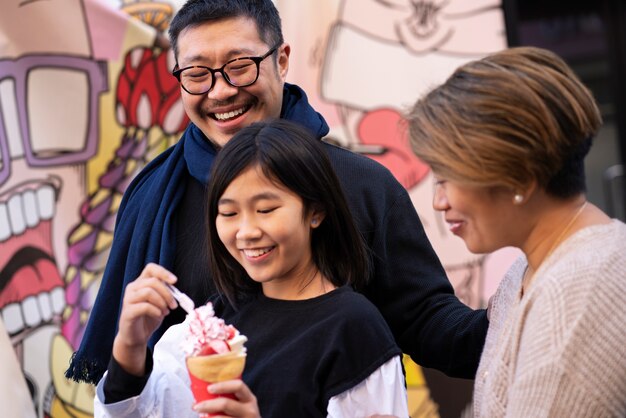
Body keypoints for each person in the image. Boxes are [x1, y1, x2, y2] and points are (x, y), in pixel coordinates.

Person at [66, 0, 488, 385]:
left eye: (240, 66)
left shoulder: (361, 186)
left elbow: (427, 322)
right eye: (197, 74)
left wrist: (531, 307)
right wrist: (129, 347)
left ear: (281, 60)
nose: (221, 91)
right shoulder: (152, 196)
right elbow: (128, 383)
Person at [93, 119, 409, 417]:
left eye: (265, 209)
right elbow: (150, 408)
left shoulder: (354, 328)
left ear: (316, 211)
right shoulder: (217, 319)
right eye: (229, 213)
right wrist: (130, 347)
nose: (246, 231)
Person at [406, 46, 626, 417]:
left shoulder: (573, 294)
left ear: (520, 175)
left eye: (447, 178)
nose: (438, 202)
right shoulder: (526, 270)